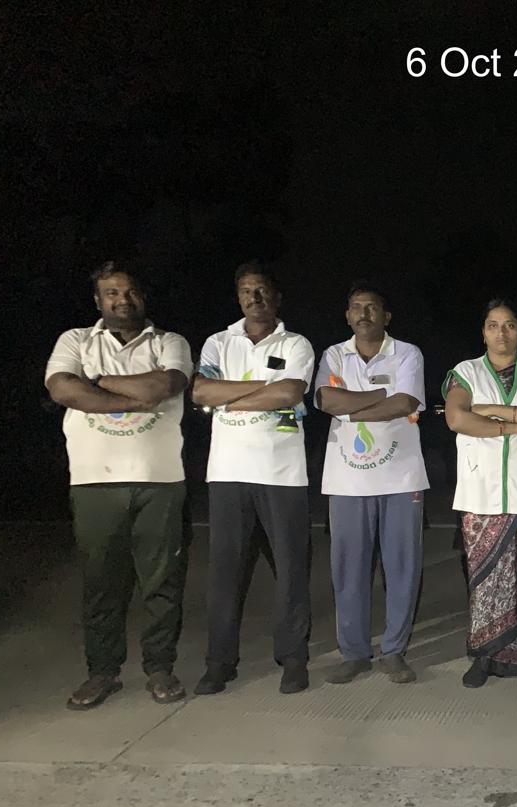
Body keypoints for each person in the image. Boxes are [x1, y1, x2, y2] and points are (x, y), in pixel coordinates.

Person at [45, 262, 193, 709]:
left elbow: (166, 384)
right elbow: (62, 390)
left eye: (129, 292)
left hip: (160, 480)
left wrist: (95, 383)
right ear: (98, 300)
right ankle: (103, 672)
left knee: (162, 583)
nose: (121, 300)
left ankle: (160, 668)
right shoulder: (76, 340)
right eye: (111, 293)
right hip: (94, 481)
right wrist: (132, 396)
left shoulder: (169, 342)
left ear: (142, 296)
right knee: (101, 584)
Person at [192, 261, 315, 696]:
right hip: (227, 474)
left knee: (291, 571)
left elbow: (289, 392)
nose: (254, 298)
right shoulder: (218, 342)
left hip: (283, 474)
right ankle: (219, 664)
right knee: (225, 574)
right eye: (246, 291)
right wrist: (261, 389)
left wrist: (228, 398)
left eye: (261, 290)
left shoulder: (296, 343)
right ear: (238, 297)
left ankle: (293, 659)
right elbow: (201, 392)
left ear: (276, 296)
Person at [443, 299, 517, 688]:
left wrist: (493, 411)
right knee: (486, 581)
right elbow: (457, 417)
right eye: (493, 325)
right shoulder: (465, 372)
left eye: (509, 325)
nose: (502, 333)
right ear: (483, 332)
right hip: (481, 493)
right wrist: (516, 423)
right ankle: (485, 656)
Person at [314, 282, 428, 685]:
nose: (364, 313)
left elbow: (405, 403)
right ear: (348, 316)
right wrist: (381, 395)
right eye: (357, 307)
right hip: (346, 480)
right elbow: (326, 400)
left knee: (402, 568)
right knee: (348, 571)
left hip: (400, 476)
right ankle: (354, 653)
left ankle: (394, 651)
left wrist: (351, 406)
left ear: (386, 316)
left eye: (372, 307)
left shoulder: (407, 353)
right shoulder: (333, 354)